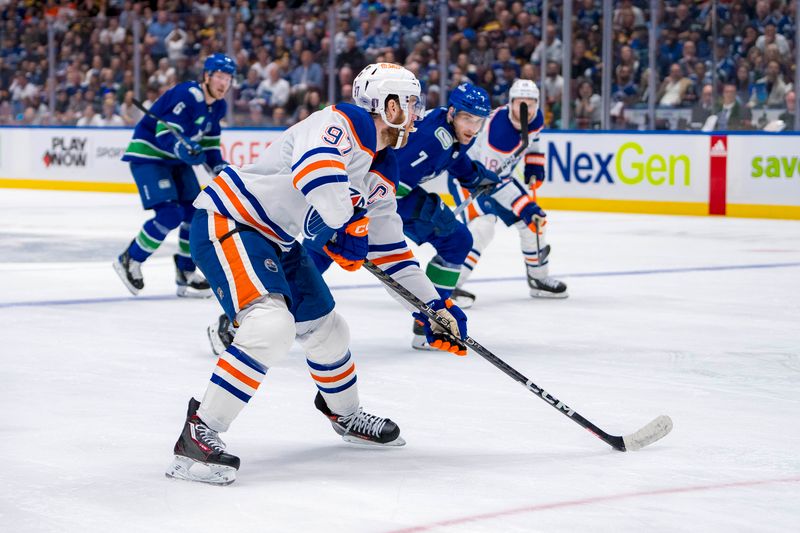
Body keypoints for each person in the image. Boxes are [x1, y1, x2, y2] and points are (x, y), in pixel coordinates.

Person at [168, 63, 469, 485]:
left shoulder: (383, 168)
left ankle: (344, 415)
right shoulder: (341, 121)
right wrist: (347, 221)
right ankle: (198, 433)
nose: (418, 114)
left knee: (330, 332)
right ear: (388, 103)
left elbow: (391, 254)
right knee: (272, 327)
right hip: (232, 220)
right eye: (413, 103)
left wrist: (433, 306)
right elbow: (316, 172)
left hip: (279, 239)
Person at [113, 53, 236, 298]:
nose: (224, 83)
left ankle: (185, 272)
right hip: (149, 155)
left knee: (195, 213)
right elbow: (165, 133)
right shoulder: (187, 95)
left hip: (176, 161)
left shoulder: (219, 106)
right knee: (170, 214)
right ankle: (130, 258)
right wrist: (183, 147)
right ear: (207, 76)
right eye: (220, 77)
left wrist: (219, 168)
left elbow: (210, 146)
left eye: (228, 78)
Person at [447, 80, 567, 309]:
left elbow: (533, 140)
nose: (527, 109)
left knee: (534, 223)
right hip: (469, 177)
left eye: (531, 103)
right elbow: (494, 180)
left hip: (496, 177)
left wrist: (534, 164)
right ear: (511, 102)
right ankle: (449, 285)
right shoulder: (498, 134)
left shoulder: (536, 118)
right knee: (483, 226)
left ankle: (538, 278)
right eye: (521, 103)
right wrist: (524, 205)